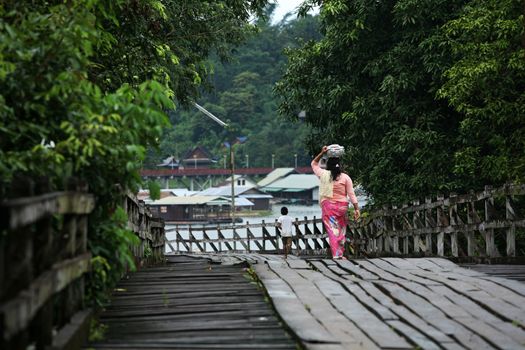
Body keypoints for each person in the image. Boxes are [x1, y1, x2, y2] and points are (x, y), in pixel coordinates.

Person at [311, 145, 360, 259]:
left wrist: (321, 153)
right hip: (342, 207)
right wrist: (357, 209)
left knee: (333, 231)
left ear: (328, 165)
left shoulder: (323, 175)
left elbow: (313, 163)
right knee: (341, 229)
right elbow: (351, 194)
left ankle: (337, 255)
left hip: (329, 208)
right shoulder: (345, 177)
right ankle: (340, 253)